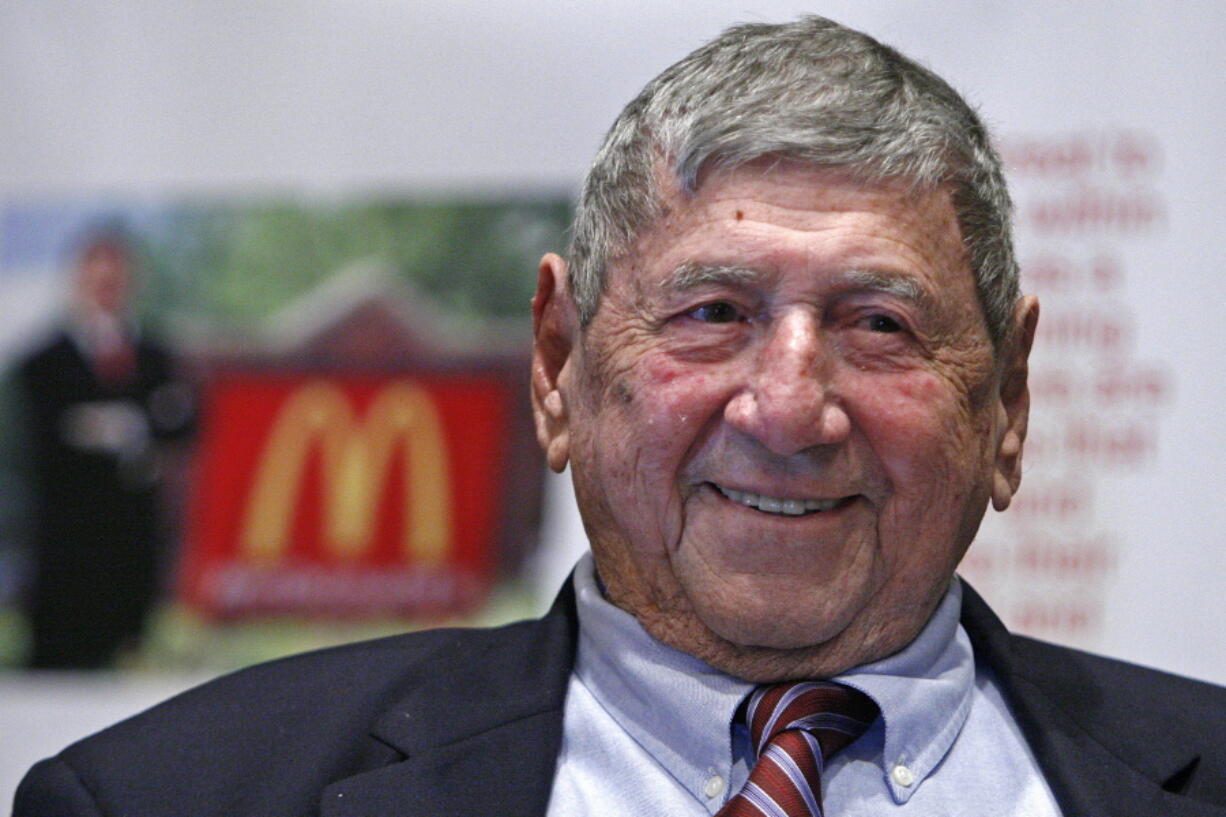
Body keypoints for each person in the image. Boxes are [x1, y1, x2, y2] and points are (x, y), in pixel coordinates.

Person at [14, 15, 1226, 816]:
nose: (789, 408)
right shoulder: (169, 798)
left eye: (879, 324)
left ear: (1006, 399)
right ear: (556, 363)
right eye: (710, 311)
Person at [8, 232, 195, 669]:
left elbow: (181, 423)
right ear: (77, 283)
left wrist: (121, 426)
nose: (106, 290)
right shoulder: (43, 363)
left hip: (132, 545)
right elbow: (45, 440)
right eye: (97, 281)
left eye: (116, 281)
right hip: (68, 552)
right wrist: (126, 425)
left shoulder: (156, 357)